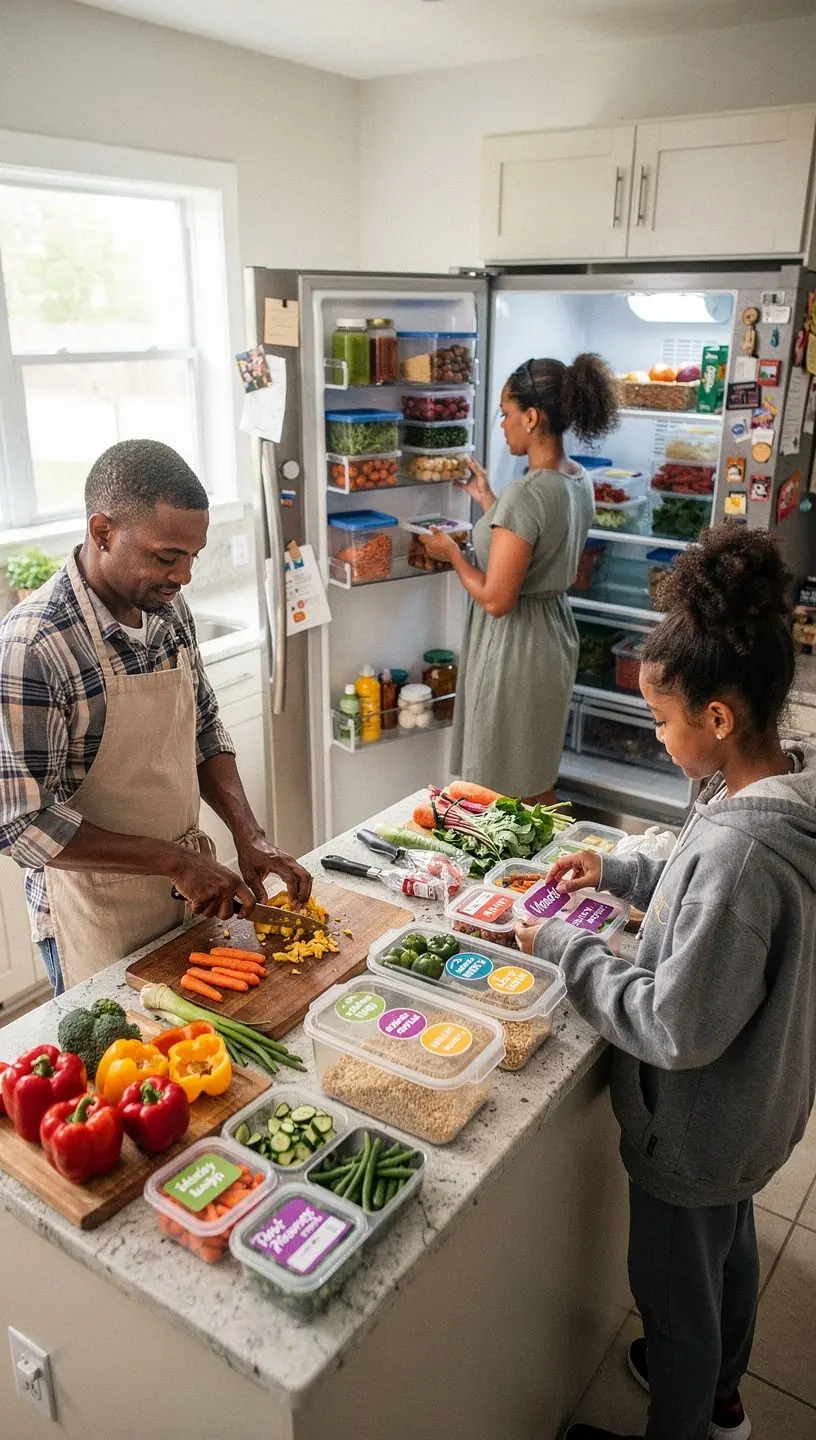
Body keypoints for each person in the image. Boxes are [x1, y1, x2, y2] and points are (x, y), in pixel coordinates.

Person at [516, 526, 816, 1440]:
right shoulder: (772, 790)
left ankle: (689, 1412)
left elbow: (674, 1028)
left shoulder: (738, 859)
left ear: (716, 718)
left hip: (694, 1125)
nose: (655, 737)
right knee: (728, 1255)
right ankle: (722, 1393)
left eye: (660, 720)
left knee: (675, 1294)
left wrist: (563, 946)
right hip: (754, 1110)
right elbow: (695, 874)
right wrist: (617, 870)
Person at [0, 439, 310, 997]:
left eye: (194, 556)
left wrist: (249, 833)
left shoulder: (165, 607)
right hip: (95, 913)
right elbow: (21, 824)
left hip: (185, 893)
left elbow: (204, 726)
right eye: (167, 557)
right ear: (102, 532)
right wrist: (173, 861)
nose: (184, 576)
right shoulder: (36, 646)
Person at [422, 353, 618, 803]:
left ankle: (515, 852)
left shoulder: (526, 494)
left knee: (495, 785)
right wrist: (487, 498)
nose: (503, 425)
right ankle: (552, 848)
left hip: (514, 645)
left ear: (531, 417)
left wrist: (452, 554)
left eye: (506, 413)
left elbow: (496, 599)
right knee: (533, 773)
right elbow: (532, 543)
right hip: (554, 635)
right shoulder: (578, 479)